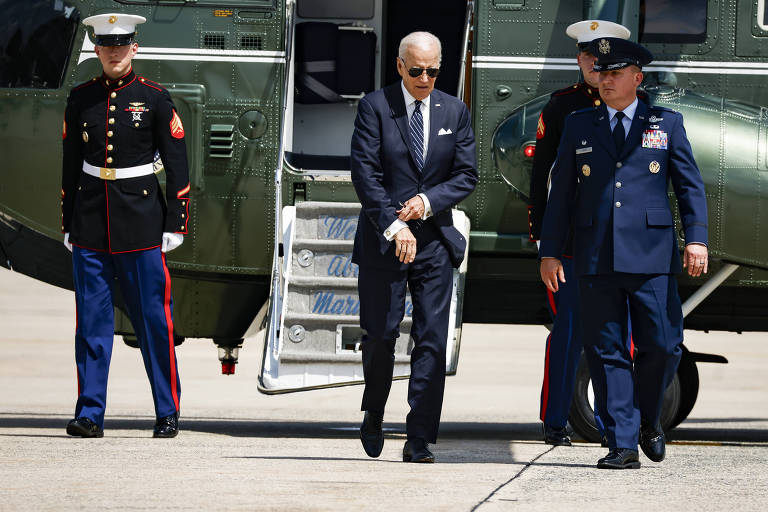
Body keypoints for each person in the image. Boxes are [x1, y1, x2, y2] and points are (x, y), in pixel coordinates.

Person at [539, 37, 708, 469]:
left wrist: (697, 238)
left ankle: (649, 419)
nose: (605, 79)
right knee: (606, 350)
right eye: (601, 72)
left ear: (637, 78)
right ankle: (622, 444)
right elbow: (561, 197)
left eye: (614, 73)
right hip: (594, 254)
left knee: (665, 346)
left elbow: (689, 185)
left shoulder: (665, 123)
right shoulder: (580, 124)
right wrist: (551, 251)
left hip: (651, 256)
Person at [350, 31, 478, 463]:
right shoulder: (375, 107)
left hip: (435, 241)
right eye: (418, 70)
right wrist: (393, 225)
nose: (426, 78)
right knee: (381, 335)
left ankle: (419, 436)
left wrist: (426, 203)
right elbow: (365, 175)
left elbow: (465, 176)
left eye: (434, 70)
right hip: (385, 241)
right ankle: (373, 411)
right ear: (401, 66)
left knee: (431, 341)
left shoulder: (455, 110)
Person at [61, 13, 190, 438]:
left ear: (134, 47)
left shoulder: (154, 98)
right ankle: (89, 413)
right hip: (91, 225)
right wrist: (68, 220)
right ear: (96, 49)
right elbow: (68, 165)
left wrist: (177, 221)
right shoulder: (80, 99)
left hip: (141, 223)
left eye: (122, 45)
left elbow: (176, 164)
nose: (114, 52)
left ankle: (167, 412)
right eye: (106, 45)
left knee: (154, 322)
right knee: (91, 326)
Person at [528, 19, 632, 447]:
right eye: (589, 56)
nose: (595, 64)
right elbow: (542, 178)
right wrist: (542, 240)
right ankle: (555, 420)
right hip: (570, 243)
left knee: (618, 335)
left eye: (603, 58)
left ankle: (619, 426)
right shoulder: (561, 107)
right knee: (569, 331)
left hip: (618, 243)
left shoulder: (636, 105)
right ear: (579, 59)